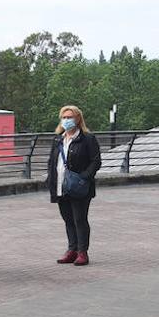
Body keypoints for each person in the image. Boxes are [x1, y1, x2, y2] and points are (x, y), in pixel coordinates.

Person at [46, 105, 102, 266]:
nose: (66, 120)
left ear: (78, 119)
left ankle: (82, 252)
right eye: (64, 117)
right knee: (68, 219)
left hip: (79, 186)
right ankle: (72, 249)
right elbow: (52, 161)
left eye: (69, 117)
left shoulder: (87, 138)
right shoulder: (58, 139)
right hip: (60, 186)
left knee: (79, 219)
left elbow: (96, 161)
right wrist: (50, 180)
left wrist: (84, 177)